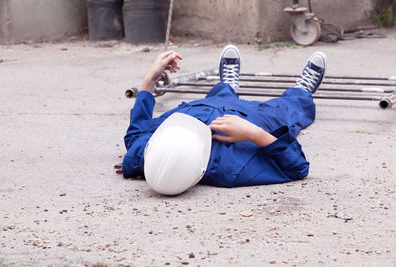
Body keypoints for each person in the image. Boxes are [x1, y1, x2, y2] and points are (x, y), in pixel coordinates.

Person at [119, 45, 326, 192]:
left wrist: (149, 81)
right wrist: (254, 133)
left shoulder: (147, 155)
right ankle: (302, 91)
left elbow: (135, 136)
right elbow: (297, 168)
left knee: (221, 95)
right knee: (287, 109)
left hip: (205, 107)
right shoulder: (233, 170)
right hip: (257, 118)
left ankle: (228, 85)